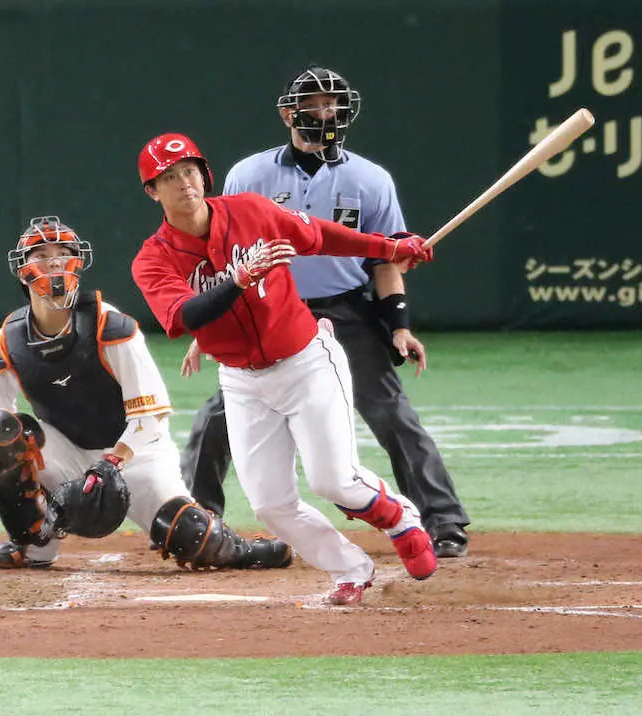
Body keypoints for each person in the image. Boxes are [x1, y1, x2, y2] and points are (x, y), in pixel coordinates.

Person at [132, 131, 439, 605]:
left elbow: (320, 235)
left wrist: (389, 249)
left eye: (189, 171)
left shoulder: (251, 212)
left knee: (333, 480)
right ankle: (350, 570)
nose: (184, 183)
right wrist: (238, 280)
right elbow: (185, 316)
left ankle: (399, 517)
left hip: (306, 361)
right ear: (153, 191)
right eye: (169, 177)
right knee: (271, 505)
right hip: (242, 382)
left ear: (204, 175)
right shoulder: (153, 258)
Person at [178, 65, 471, 559]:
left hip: (346, 311)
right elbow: (225, 257)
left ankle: (444, 521)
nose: (324, 112)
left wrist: (399, 326)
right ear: (287, 114)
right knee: (218, 417)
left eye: (332, 103)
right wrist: (206, 326)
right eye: (312, 104)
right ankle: (195, 520)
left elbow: (384, 262)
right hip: (268, 310)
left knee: (391, 414)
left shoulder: (371, 180)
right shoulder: (248, 175)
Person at [0, 216, 292, 572]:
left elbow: (150, 415)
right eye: (42, 255)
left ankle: (242, 549)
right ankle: (34, 545)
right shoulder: (6, 342)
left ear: (78, 262)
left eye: (63, 253)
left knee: (192, 534)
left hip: (135, 453)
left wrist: (113, 463)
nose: (54, 263)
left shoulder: (110, 326)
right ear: (22, 271)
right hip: (67, 452)